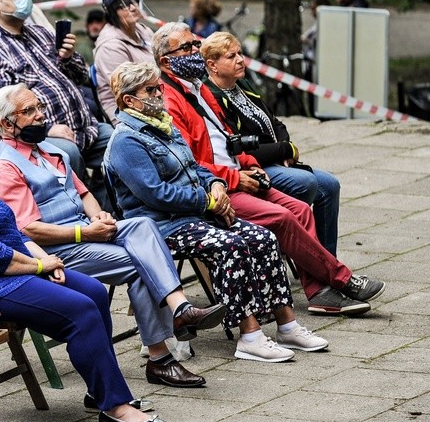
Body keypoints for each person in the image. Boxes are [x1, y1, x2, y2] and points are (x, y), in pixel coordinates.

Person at [0, 109, 167, 422]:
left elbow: (14, 232)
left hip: (8, 271)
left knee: (93, 292)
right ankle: (114, 406)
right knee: (81, 310)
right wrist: (38, 266)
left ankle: (100, 388)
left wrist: (46, 262)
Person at [0, 84, 226, 385]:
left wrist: (98, 215)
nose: (40, 115)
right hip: (60, 250)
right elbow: (27, 230)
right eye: (29, 111)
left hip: (87, 231)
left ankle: (181, 310)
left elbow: (84, 193)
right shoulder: (5, 168)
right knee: (140, 264)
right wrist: (86, 232)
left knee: (142, 224)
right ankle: (161, 356)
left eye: (39, 107)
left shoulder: (49, 150)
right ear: (7, 123)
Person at [153, 22, 385, 315]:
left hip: (239, 173)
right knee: (285, 215)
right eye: (186, 48)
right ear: (166, 61)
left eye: (194, 44)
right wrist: (237, 176)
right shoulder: (170, 100)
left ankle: (320, 293)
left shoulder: (199, 88)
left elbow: (230, 138)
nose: (194, 51)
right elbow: (190, 164)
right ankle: (342, 279)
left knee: (300, 208)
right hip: (213, 189)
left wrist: (251, 165)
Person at [105, 62, 329, 362]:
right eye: (150, 90)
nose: (159, 93)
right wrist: (207, 201)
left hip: (194, 213)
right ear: (129, 100)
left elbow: (195, 165)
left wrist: (216, 186)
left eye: (159, 86)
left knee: (263, 237)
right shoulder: (126, 140)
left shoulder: (163, 124)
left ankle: (287, 324)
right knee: (231, 245)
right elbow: (156, 194)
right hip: (161, 226)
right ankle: (249, 335)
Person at [0, 0, 112, 205]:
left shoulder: (41, 33)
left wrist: (67, 56)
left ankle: (107, 210)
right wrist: (47, 130)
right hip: (39, 138)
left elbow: (81, 77)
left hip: (85, 129)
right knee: (67, 153)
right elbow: (1, 113)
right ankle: (79, 218)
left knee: (121, 139)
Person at [202, 31, 343, 256]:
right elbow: (240, 147)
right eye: (231, 56)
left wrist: (287, 147)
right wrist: (285, 149)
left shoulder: (242, 85)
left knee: (330, 185)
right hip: (251, 166)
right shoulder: (212, 97)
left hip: (276, 160)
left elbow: (274, 121)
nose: (240, 59)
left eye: (240, 53)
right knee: (305, 182)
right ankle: (297, 249)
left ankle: (327, 259)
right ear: (213, 65)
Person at [93, 0, 156, 125]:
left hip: (155, 97)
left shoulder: (143, 30)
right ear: (112, 13)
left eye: (134, 2)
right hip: (127, 112)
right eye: (124, 6)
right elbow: (129, 90)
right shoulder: (110, 46)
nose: (133, 8)